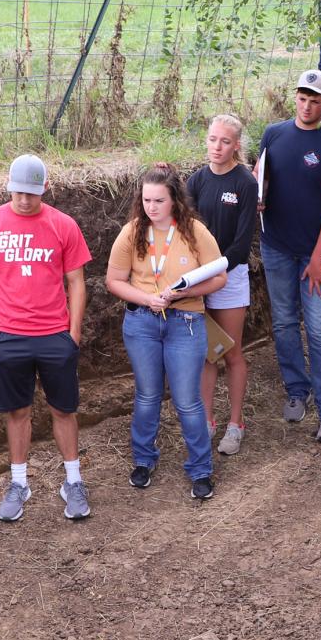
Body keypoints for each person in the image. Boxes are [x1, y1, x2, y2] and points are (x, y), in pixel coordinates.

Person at [0, 153, 93, 522]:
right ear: (9, 187)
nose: (24, 200)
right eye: (18, 192)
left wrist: (73, 334)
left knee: (63, 410)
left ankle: (73, 481)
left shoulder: (63, 225)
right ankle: (19, 483)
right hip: (11, 338)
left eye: (31, 193)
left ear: (45, 189)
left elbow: (77, 282)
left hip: (55, 335)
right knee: (18, 411)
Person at [106, 164, 227, 500]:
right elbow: (114, 280)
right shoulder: (132, 232)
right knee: (147, 396)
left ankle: (201, 470)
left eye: (159, 200)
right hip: (142, 322)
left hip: (185, 322)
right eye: (146, 200)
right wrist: (147, 297)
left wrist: (184, 293)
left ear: (175, 200)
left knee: (188, 401)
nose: (151, 207)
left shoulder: (195, 232)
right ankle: (143, 461)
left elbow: (219, 277)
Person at [258, 68, 321, 443]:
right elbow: (261, 176)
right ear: (294, 97)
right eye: (302, 98)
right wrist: (259, 196)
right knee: (283, 323)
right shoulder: (274, 134)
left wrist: (318, 257)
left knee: (319, 329)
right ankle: (297, 390)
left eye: (315, 100)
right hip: (277, 247)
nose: (307, 106)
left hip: (319, 255)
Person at [188, 114, 258, 457]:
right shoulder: (197, 180)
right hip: (200, 279)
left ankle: (235, 424)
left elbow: (241, 245)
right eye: (213, 139)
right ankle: (206, 421)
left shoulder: (244, 182)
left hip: (229, 277)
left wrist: (212, 273)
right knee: (206, 354)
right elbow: (183, 226)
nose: (217, 147)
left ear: (236, 146)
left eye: (225, 142)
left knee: (231, 353)